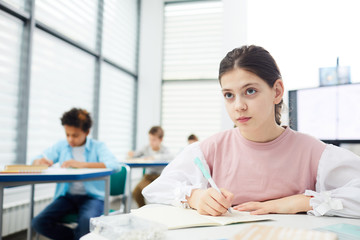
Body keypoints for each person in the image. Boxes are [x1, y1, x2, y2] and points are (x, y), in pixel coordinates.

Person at [142, 45, 360, 218]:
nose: (238, 106)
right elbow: (154, 190)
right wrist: (195, 197)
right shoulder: (209, 150)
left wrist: (298, 202)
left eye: (250, 91)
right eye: (229, 95)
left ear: (276, 91)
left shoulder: (314, 152)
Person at [31, 108, 119, 240]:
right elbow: (35, 160)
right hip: (67, 196)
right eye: (67, 134)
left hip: (93, 197)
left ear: (87, 132)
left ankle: (81, 235)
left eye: (75, 135)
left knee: (86, 222)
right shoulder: (62, 145)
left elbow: (115, 165)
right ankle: (77, 237)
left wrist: (82, 164)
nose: (70, 139)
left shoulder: (98, 146)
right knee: (38, 222)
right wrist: (39, 162)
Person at [129, 126, 173, 207]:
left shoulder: (164, 150)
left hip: (160, 177)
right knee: (136, 192)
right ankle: (143, 209)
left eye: (154, 140)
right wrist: (132, 154)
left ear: (161, 140)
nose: (151, 142)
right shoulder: (146, 148)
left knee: (149, 191)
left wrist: (154, 157)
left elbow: (170, 157)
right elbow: (136, 155)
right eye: (150, 139)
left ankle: (154, 209)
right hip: (148, 176)